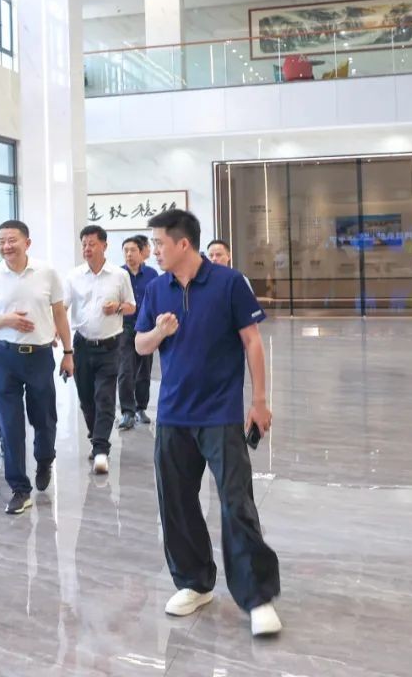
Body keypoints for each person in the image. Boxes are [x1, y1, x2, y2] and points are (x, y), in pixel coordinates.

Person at [134, 209, 281, 637]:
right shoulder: (156, 288)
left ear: (183, 243)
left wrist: (259, 401)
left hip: (220, 413)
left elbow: (252, 342)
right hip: (173, 415)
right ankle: (194, 583)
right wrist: (159, 333)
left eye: (159, 243)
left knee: (236, 503)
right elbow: (140, 345)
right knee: (176, 502)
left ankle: (256, 596)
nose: (153, 250)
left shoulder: (228, 283)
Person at [0, 220, 74, 515]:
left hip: (40, 356)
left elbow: (60, 314)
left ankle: (45, 458)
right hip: (4, 356)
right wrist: (7, 320)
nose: (7, 246)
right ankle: (20, 488)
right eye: (2, 241)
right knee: (9, 424)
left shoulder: (47, 272)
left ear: (27, 243)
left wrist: (68, 353)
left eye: (12, 240)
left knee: (44, 418)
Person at [65, 225, 135, 475]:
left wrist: (117, 307)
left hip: (110, 345)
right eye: (84, 244)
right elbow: (62, 308)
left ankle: (101, 449)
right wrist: (55, 332)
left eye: (92, 244)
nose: (87, 248)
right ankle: (96, 438)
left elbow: (131, 306)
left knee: (104, 397)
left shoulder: (119, 275)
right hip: (82, 345)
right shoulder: (73, 276)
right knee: (86, 399)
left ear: (104, 246)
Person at [118, 236, 158, 429]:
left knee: (144, 371)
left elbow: (157, 299)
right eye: (125, 250)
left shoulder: (152, 274)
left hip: (146, 327)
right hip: (124, 327)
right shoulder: (118, 274)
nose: (129, 254)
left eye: (133, 250)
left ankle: (141, 407)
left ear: (142, 253)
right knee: (125, 370)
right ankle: (127, 411)